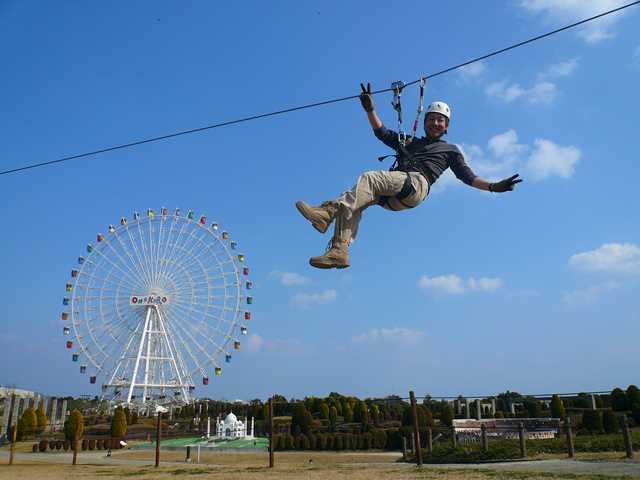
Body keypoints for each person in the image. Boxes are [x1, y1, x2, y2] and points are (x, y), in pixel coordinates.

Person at [296, 83, 522, 269]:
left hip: (416, 185)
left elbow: (468, 177)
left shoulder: (450, 150)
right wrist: (369, 110)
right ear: (424, 123)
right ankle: (339, 250)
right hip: (394, 197)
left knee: (369, 178)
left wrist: (494, 187)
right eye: (431, 119)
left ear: (446, 126)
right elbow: (381, 133)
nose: (435, 122)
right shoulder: (410, 142)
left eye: (440, 120)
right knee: (354, 202)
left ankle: (327, 213)